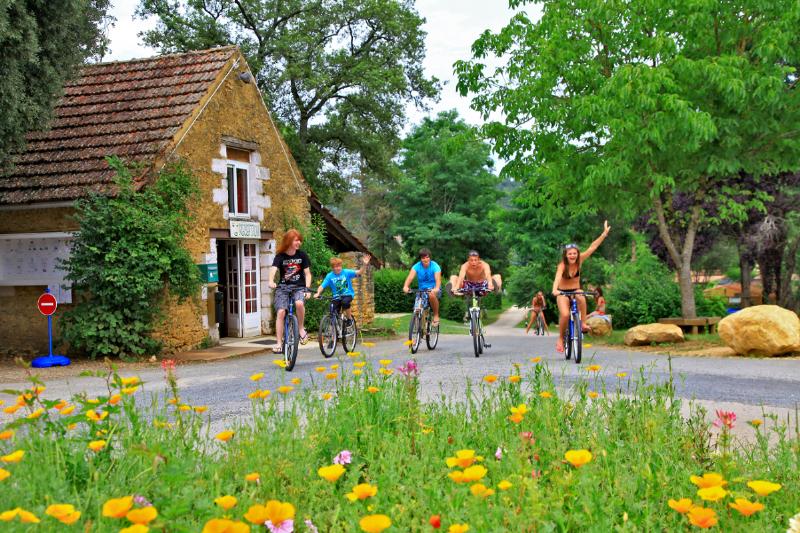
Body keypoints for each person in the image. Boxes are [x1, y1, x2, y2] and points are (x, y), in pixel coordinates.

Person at [551, 221, 611, 353]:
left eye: (574, 253)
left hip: (575, 290)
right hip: (562, 292)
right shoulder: (562, 266)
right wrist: (555, 290)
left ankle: (583, 323)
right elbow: (557, 278)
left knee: (581, 296)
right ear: (566, 255)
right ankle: (561, 338)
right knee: (565, 315)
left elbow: (592, 247)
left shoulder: (580, 260)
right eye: (570, 254)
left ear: (577, 254)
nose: (572, 255)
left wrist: (604, 234)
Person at [268, 229, 312, 353]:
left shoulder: (302, 255)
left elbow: (307, 274)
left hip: (299, 287)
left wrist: (307, 289)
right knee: (281, 312)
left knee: (299, 303)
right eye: (296, 240)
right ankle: (278, 343)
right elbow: (273, 269)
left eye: (299, 240)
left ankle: (301, 328)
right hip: (283, 288)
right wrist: (271, 280)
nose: (299, 243)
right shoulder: (280, 256)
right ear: (289, 241)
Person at [313, 254, 372, 323]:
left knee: (345, 302)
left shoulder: (346, 272)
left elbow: (359, 272)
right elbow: (322, 286)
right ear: (332, 268)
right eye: (335, 267)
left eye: (339, 266)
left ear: (341, 266)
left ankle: (349, 319)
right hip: (336, 297)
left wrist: (364, 264)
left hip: (347, 294)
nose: (337, 268)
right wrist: (318, 293)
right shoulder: (329, 276)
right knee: (332, 310)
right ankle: (335, 329)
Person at [402, 248, 442, 326]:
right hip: (422, 290)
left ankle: (436, 315)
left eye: (427, 257)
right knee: (417, 308)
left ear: (430, 258)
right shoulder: (416, 266)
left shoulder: (435, 266)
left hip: (434, 288)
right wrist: (406, 286)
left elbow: (438, 279)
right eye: (423, 258)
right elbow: (410, 277)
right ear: (421, 259)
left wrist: (436, 288)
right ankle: (421, 328)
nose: (425, 259)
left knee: (431, 295)